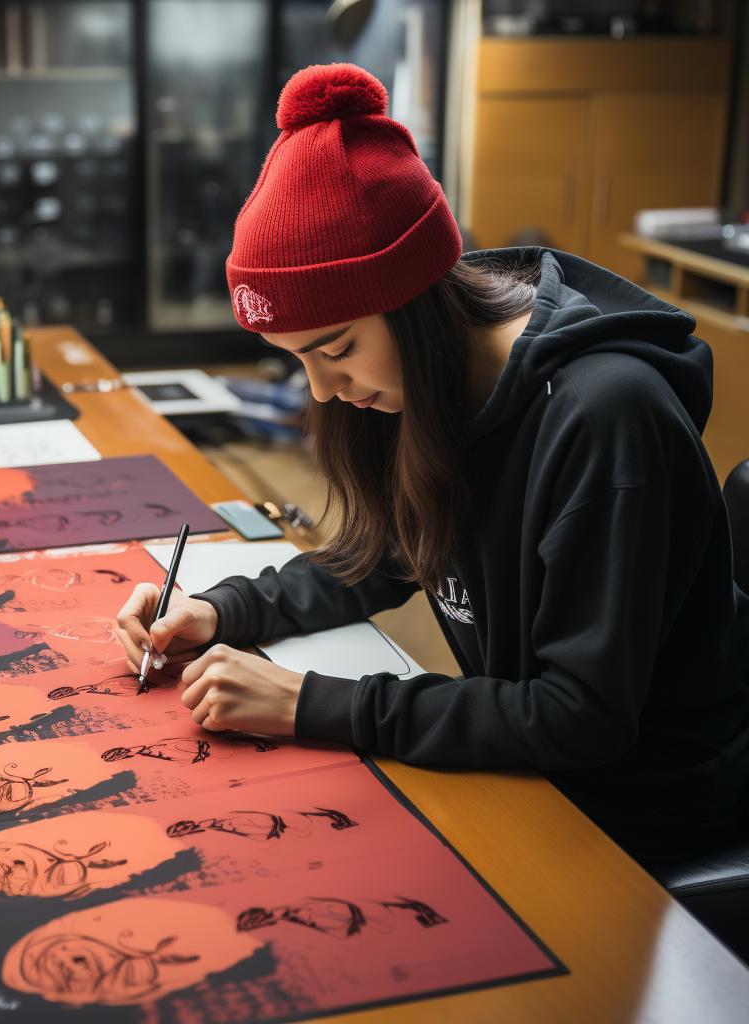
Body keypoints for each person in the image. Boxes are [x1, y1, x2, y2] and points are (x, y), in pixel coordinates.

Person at [116, 63, 749, 864]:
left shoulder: (606, 418)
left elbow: (580, 717)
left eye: (336, 349)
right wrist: (220, 611)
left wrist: (311, 703)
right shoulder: (421, 383)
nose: (324, 389)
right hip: (535, 768)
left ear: (411, 300)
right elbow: (390, 555)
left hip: (636, 800)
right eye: (296, 360)